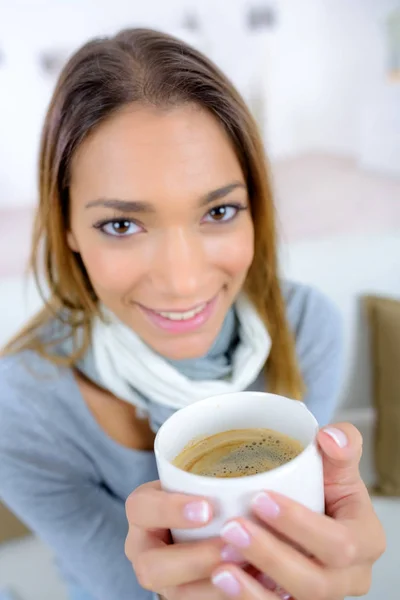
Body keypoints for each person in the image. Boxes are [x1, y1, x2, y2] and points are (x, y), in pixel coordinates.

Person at [0, 28, 384, 600]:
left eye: (220, 210)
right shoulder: (19, 407)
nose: (183, 283)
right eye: (121, 225)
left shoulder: (308, 326)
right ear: (68, 230)